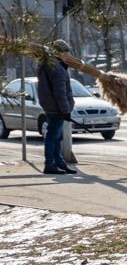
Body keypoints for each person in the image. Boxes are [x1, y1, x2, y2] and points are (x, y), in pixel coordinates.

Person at [37, 39, 76, 175]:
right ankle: (50, 164)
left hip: (51, 106)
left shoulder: (48, 64)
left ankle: (59, 163)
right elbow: (60, 92)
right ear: (60, 53)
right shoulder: (57, 68)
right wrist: (66, 111)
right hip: (56, 108)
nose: (67, 56)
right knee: (53, 136)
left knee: (56, 136)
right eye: (65, 53)